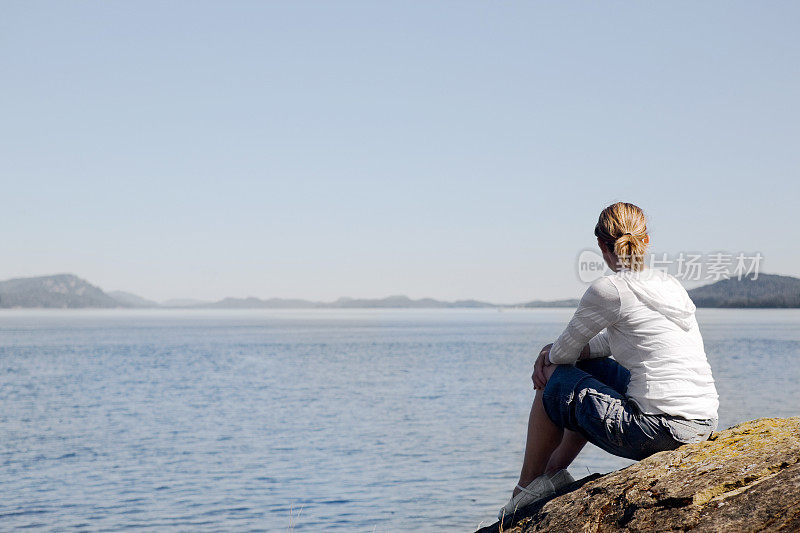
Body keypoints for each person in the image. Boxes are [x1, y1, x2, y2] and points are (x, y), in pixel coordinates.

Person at [499, 202, 719, 520]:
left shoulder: (609, 289)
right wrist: (559, 350)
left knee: (556, 377)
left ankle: (525, 489)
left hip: (660, 429)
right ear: (646, 241)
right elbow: (608, 343)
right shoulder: (669, 285)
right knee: (583, 370)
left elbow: (562, 356)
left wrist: (548, 353)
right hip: (701, 423)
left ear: (602, 245)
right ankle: (553, 474)